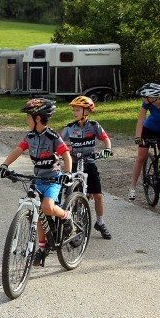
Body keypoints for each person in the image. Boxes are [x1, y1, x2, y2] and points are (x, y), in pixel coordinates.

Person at [0, 98, 73, 267]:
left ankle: (67, 217)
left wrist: (66, 173)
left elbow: (66, 154)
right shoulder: (30, 136)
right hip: (37, 180)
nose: (26, 120)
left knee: (47, 207)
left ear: (37, 118)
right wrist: (4, 165)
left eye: (28, 117)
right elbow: (18, 149)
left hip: (53, 179)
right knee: (37, 211)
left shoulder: (52, 136)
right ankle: (42, 248)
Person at [60, 96, 113, 239]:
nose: (74, 112)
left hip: (89, 163)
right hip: (74, 163)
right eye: (73, 110)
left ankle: (100, 223)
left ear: (87, 111)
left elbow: (105, 138)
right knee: (66, 193)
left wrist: (107, 149)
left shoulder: (94, 126)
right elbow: (58, 142)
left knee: (98, 195)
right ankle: (67, 220)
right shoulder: (69, 128)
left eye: (78, 110)